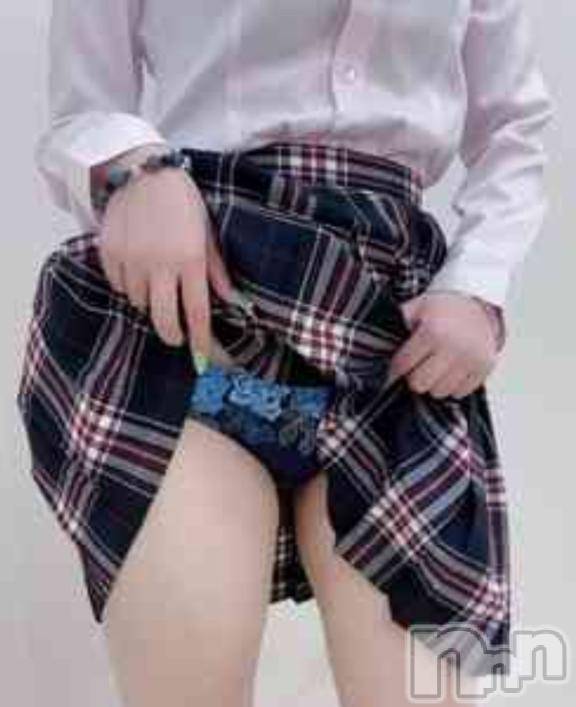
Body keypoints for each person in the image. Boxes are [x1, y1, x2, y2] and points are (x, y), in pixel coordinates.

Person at [26, 1, 554, 705]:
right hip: (195, 309)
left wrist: (478, 284)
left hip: (386, 338)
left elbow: (514, 128)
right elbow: (82, 109)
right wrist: (135, 168)